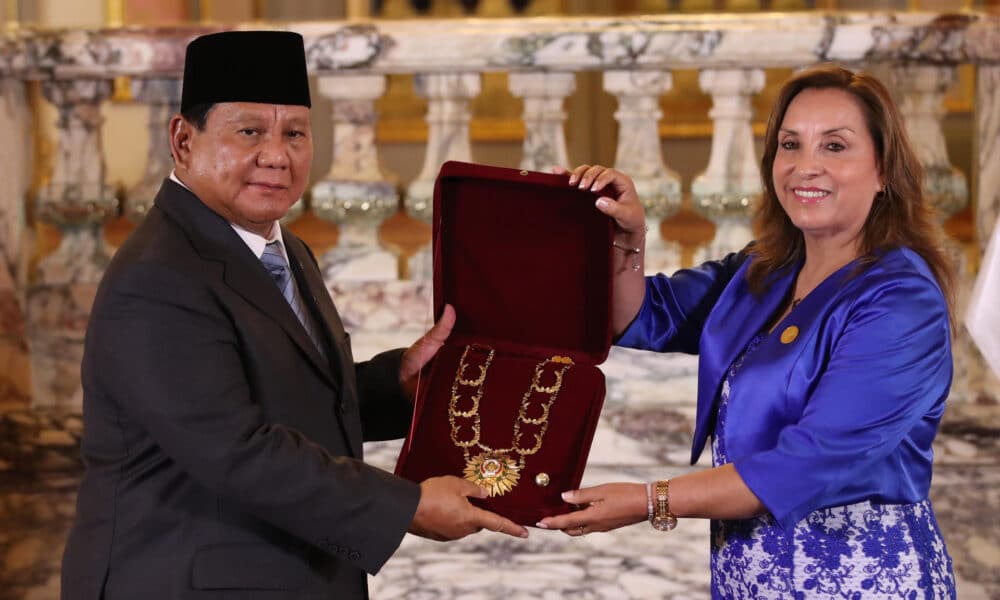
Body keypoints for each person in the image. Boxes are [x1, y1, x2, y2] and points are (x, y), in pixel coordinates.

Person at [61, 30, 526, 600]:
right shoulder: (159, 276)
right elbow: (237, 451)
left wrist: (401, 381)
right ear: (183, 140)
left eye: (295, 133)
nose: (276, 156)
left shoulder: (282, 249)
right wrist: (409, 506)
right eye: (250, 131)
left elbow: (286, 397)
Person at [539, 65, 957, 598]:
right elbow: (644, 315)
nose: (806, 166)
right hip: (750, 576)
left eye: (834, 146)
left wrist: (650, 499)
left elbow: (808, 462)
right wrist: (626, 237)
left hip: (862, 581)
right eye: (790, 144)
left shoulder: (902, 301)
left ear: (882, 171)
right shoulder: (767, 269)